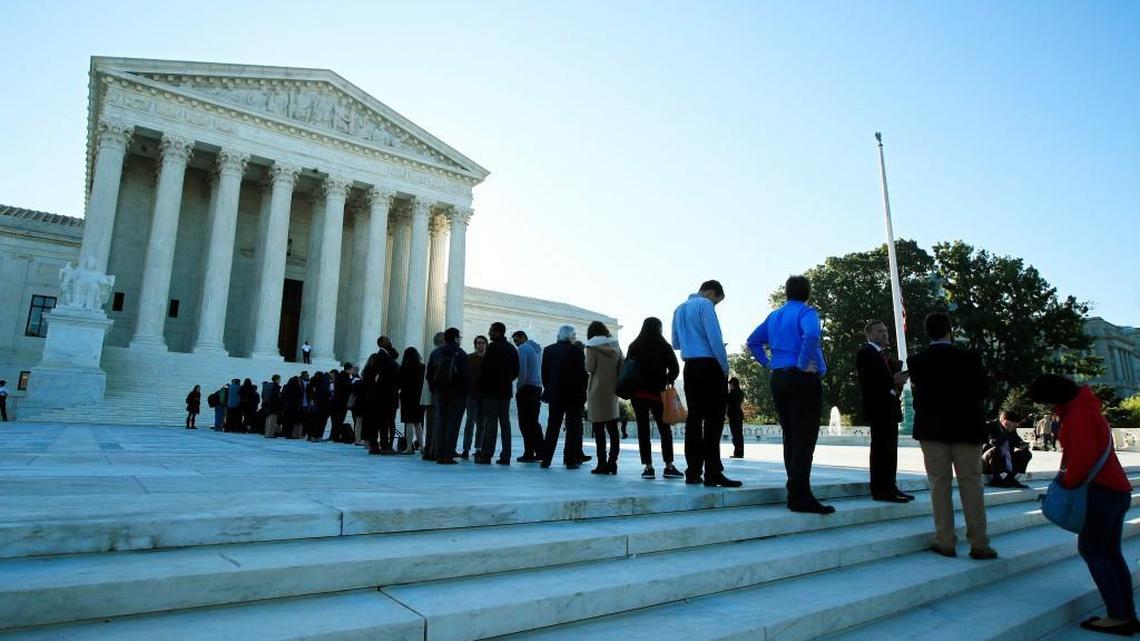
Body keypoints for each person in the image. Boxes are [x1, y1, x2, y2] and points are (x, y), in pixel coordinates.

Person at [1028, 374, 1136, 635]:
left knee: (1093, 550)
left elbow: (1083, 457)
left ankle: (1118, 615)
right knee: (1110, 552)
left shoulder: (1078, 415)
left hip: (1101, 492)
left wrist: (1065, 485)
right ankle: (1125, 613)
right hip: (1114, 489)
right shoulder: (1087, 409)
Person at [907, 312, 997, 560]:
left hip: (933, 429)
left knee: (939, 484)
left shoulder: (917, 361)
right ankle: (979, 542)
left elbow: (919, 398)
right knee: (972, 485)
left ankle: (945, 539)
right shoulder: (970, 358)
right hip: (967, 427)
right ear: (949, 330)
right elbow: (983, 391)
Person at [747, 276, 827, 510]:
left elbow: (753, 341)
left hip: (779, 377)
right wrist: (803, 363)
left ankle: (795, 491)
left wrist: (769, 363)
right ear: (807, 292)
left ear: (787, 293)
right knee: (804, 437)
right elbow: (812, 335)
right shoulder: (806, 312)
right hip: (800, 377)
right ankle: (800, 495)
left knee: (790, 436)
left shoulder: (774, 315)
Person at [673, 280, 741, 488]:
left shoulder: (679, 308)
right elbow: (714, 338)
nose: (715, 304)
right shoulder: (705, 305)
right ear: (711, 293)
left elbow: (675, 343)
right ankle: (713, 472)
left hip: (690, 367)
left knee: (694, 420)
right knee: (714, 421)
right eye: (717, 301)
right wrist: (724, 368)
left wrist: (692, 341)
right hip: (709, 366)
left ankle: (693, 471)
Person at [855, 319, 914, 503]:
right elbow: (869, 382)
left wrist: (897, 380)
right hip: (878, 409)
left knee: (890, 450)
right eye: (880, 331)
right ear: (869, 334)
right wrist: (893, 380)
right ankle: (881, 489)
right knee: (881, 450)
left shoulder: (882, 355)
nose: (885, 334)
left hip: (889, 408)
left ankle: (891, 485)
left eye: (886, 331)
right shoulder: (866, 353)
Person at [626, 317, 683, 479]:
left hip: (638, 394)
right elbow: (675, 369)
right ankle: (669, 466)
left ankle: (648, 467)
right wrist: (666, 379)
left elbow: (627, 368)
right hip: (658, 394)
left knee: (643, 430)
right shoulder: (664, 346)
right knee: (665, 430)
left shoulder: (634, 346)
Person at [540, 325, 588, 469]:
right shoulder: (577, 351)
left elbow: (545, 375)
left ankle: (546, 459)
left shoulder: (548, 350)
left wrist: (550, 388)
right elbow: (582, 375)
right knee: (572, 428)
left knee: (552, 427)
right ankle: (570, 459)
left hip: (555, 395)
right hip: (574, 396)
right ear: (570, 336)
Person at [476, 322, 520, 464]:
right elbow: (516, 371)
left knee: (491, 423)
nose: (489, 334)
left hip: (491, 391)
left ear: (497, 332)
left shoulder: (493, 347)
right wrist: (506, 381)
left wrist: (483, 388)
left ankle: (487, 454)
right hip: (505, 391)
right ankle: (506, 455)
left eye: (491, 331)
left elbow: (485, 370)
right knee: (505, 422)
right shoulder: (512, 349)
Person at [427, 327, 471, 464]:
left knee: (441, 422)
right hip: (457, 394)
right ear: (456, 338)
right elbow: (466, 376)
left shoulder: (436, 353)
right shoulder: (461, 353)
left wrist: (434, 390)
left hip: (440, 393)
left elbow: (429, 375)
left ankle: (439, 453)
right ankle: (448, 455)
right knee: (453, 424)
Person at [586, 321, 625, 475]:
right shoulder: (615, 345)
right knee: (613, 430)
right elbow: (622, 367)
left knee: (599, 430)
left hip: (597, 391)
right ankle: (612, 462)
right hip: (612, 391)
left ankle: (601, 463)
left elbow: (589, 367)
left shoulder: (591, 346)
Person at [361, 339, 400, 454]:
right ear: (382, 343)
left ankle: (374, 446)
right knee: (384, 423)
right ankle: (384, 446)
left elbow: (367, 376)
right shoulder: (385, 359)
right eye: (388, 340)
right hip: (385, 396)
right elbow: (392, 377)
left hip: (375, 396)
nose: (390, 341)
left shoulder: (375, 358)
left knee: (375, 423)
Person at [512, 330, 545, 462]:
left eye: (516, 340)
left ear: (522, 337)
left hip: (527, 388)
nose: (516, 343)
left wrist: (519, 386)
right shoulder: (536, 348)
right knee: (533, 422)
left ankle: (529, 452)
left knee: (525, 423)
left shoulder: (523, 348)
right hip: (537, 387)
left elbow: (522, 370)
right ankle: (540, 451)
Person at [982, 410, 1032, 488]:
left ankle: (1011, 478)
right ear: (1003, 420)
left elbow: (1018, 442)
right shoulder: (990, 426)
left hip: (1005, 459)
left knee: (1026, 454)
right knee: (995, 450)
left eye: (1015, 423)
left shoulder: (1012, 429)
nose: (1014, 425)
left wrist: (1024, 446)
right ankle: (998, 479)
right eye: (1012, 422)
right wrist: (1006, 432)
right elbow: (993, 443)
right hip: (987, 460)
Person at [461, 335, 487, 459]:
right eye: (478, 343)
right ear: (475, 344)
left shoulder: (489, 359)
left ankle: (479, 447)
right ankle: (466, 448)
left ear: (485, 344)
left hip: (484, 395)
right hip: (471, 394)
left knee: (481, 423)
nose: (480, 345)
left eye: (482, 343)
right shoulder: (469, 358)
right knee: (470, 421)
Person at [399, 347, 426, 456]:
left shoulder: (404, 367)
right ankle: (422, 446)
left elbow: (399, 382)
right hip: (419, 397)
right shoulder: (422, 367)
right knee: (418, 423)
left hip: (406, 396)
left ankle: (409, 447)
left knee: (408, 422)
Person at [328, 364, 353, 441]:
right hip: (342, 402)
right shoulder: (345, 377)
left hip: (336, 401)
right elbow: (348, 389)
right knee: (339, 419)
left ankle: (334, 436)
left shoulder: (339, 376)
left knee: (335, 420)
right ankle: (336, 436)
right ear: (349, 369)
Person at [306, 371, 331, 442]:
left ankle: (311, 436)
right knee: (321, 421)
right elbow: (326, 392)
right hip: (323, 404)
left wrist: (312, 398)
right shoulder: (324, 381)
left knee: (313, 420)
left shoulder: (312, 382)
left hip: (315, 404)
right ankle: (317, 436)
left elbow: (309, 391)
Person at [726, 378, 745, 459]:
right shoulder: (740, 393)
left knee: (736, 435)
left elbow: (726, 400)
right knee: (738, 435)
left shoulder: (733, 393)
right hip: (738, 415)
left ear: (732, 384)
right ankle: (739, 452)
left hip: (734, 416)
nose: (729, 385)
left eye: (730, 384)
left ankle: (738, 453)